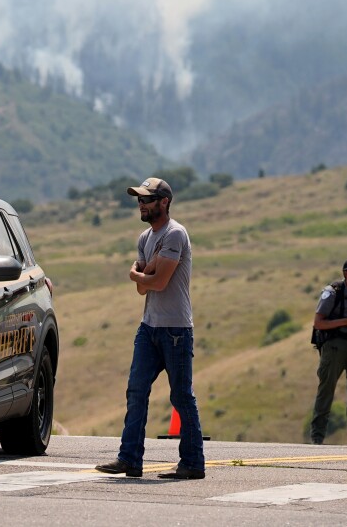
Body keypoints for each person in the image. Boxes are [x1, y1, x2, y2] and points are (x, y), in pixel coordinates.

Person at [96, 177, 205, 480]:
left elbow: (157, 282)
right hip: (149, 327)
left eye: (146, 199)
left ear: (164, 202)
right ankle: (130, 459)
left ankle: (193, 463)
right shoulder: (145, 237)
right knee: (136, 391)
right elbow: (144, 289)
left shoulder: (175, 234)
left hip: (175, 330)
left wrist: (136, 274)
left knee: (181, 396)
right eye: (139, 200)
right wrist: (144, 275)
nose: (141, 205)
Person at [308, 257, 347, 444]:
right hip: (334, 346)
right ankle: (317, 438)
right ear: (346, 273)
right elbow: (318, 323)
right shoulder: (332, 292)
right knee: (326, 391)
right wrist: (346, 322)